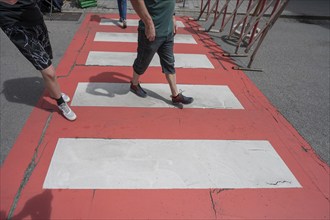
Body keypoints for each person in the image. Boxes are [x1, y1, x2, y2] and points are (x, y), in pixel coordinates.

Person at [0, 0, 77, 121]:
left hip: (33, 17)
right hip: (13, 25)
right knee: (47, 69)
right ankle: (60, 102)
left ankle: (54, 92)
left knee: (47, 57)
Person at [130, 0, 194, 107]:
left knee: (169, 63)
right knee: (142, 62)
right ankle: (134, 84)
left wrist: (173, 16)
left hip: (167, 30)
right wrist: (148, 23)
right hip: (152, 31)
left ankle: (175, 95)